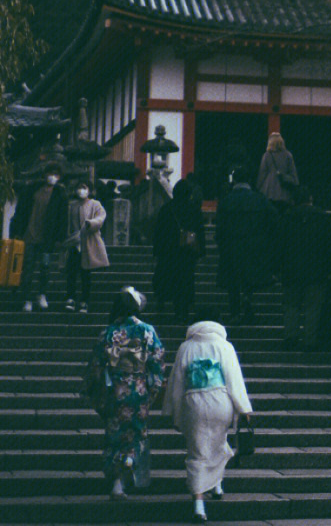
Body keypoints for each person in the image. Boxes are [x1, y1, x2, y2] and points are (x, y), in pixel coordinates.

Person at [163, 319, 253, 521]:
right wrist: (244, 407)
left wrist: (174, 412)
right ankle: (217, 485)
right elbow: (233, 378)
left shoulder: (186, 346)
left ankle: (199, 503)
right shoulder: (224, 345)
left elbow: (177, 381)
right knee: (219, 441)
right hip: (220, 399)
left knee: (197, 451)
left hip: (193, 400)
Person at [84, 286, 166, 498]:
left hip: (114, 388)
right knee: (135, 433)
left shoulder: (109, 332)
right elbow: (157, 363)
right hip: (138, 389)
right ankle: (128, 465)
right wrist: (153, 391)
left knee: (115, 433)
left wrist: (94, 390)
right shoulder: (148, 331)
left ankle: (116, 481)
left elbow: (96, 365)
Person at [215, 164, 279, 323]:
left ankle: (235, 312)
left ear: (234, 180)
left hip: (232, 244)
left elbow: (220, 226)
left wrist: (221, 243)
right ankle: (248, 299)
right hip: (254, 244)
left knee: (233, 280)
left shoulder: (226, 200)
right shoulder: (260, 199)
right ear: (249, 180)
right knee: (250, 276)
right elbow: (273, 221)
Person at [280, 185, 331, 349]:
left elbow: (280, 245)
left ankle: (290, 336)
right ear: (310, 199)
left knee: (291, 305)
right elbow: (329, 246)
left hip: (291, 269)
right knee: (314, 306)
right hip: (317, 269)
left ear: (293, 201)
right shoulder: (322, 218)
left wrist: (277, 267)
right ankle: (310, 339)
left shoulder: (287, 218)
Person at [11, 169, 67, 310]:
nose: (52, 177)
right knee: (28, 267)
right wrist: (17, 230)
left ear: (59, 177)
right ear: (45, 175)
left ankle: (42, 294)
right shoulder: (32, 190)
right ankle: (27, 298)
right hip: (29, 235)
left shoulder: (60, 194)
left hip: (47, 239)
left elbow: (63, 217)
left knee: (45, 267)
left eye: (55, 174)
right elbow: (21, 211)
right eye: (50, 173)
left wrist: (60, 237)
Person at [152, 176, 205, 326]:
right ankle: (184, 310)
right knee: (186, 280)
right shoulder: (194, 209)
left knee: (170, 277)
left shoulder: (167, 208)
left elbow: (159, 231)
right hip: (188, 251)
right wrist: (201, 252)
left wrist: (156, 251)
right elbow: (200, 231)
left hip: (169, 251)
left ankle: (166, 302)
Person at [64, 179, 109, 313]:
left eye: (84, 188)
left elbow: (101, 217)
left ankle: (84, 301)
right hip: (73, 242)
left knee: (85, 273)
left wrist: (91, 223)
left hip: (88, 241)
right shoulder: (72, 205)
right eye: (79, 188)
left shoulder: (95, 204)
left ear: (89, 190)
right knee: (71, 272)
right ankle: (70, 298)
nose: (81, 190)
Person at [255, 130, 299, 209]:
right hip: (285, 191)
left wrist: (258, 187)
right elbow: (293, 173)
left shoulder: (267, 155)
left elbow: (262, 173)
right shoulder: (288, 155)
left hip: (269, 190)